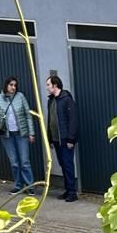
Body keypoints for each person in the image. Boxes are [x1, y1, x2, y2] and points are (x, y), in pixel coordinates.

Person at [0, 75, 35, 193]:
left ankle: (29, 186)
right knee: (14, 162)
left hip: (21, 133)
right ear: (6, 86)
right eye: (11, 85)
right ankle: (18, 186)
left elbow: (28, 115)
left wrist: (31, 133)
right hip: (7, 136)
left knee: (24, 161)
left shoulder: (20, 97)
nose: (13, 87)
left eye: (15, 85)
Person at [46, 72, 79, 202]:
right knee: (62, 164)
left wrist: (71, 139)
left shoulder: (66, 100)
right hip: (56, 139)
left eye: (48, 85)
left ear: (55, 85)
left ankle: (72, 192)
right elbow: (51, 120)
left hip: (65, 140)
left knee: (68, 164)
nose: (47, 87)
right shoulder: (52, 101)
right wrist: (50, 138)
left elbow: (73, 120)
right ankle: (67, 189)